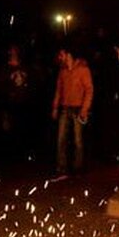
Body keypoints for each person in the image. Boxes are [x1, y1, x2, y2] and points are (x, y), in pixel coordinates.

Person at [51, 46, 93, 176]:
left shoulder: (82, 70)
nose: (60, 57)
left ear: (69, 55)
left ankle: (78, 166)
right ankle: (61, 167)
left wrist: (84, 109)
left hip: (77, 109)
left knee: (78, 140)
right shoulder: (63, 71)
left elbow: (89, 90)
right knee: (61, 139)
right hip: (65, 108)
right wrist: (55, 107)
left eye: (62, 55)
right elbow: (59, 90)